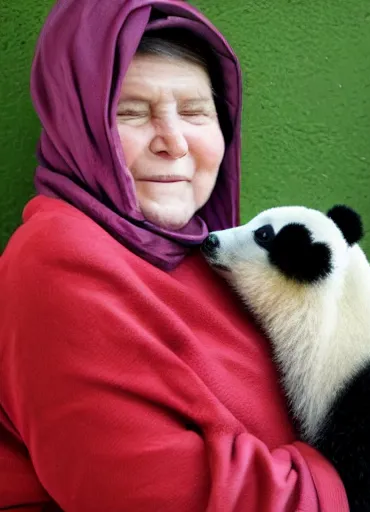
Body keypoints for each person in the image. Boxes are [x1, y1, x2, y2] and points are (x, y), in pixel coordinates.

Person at [0, 1, 349, 511]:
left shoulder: (212, 255)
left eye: (194, 112)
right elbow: (155, 497)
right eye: (130, 112)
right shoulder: (55, 261)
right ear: (77, 130)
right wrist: (359, 478)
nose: (173, 142)